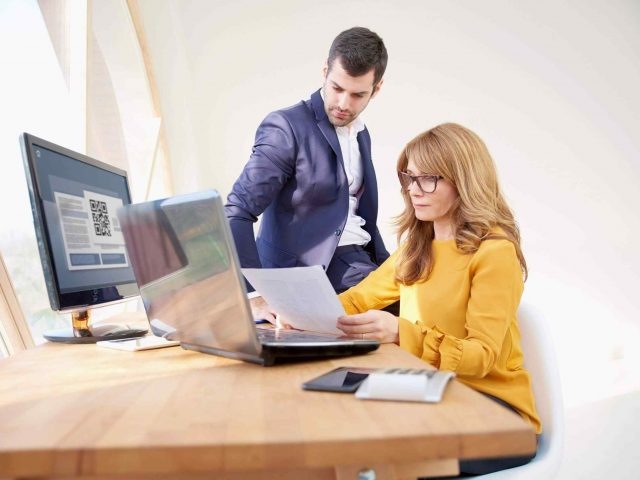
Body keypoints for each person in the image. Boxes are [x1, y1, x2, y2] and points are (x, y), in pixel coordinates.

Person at [336, 123, 541, 475]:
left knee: (388, 449)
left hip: (497, 413)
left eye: (428, 179)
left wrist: (400, 332)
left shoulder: (494, 253)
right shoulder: (416, 249)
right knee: (344, 431)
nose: (414, 190)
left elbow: (481, 356)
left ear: (463, 181)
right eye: (410, 178)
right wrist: (293, 309)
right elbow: (356, 301)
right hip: (433, 393)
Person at [225, 27, 391, 323]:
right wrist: (253, 297)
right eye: (337, 88)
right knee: (408, 318)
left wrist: (394, 269)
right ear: (325, 71)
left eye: (358, 95)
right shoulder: (286, 127)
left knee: (430, 301)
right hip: (314, 272)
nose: (344, 104)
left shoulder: (361, 134)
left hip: (363, 261)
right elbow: (236, 211)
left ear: (376, 90)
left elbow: (356, 212)